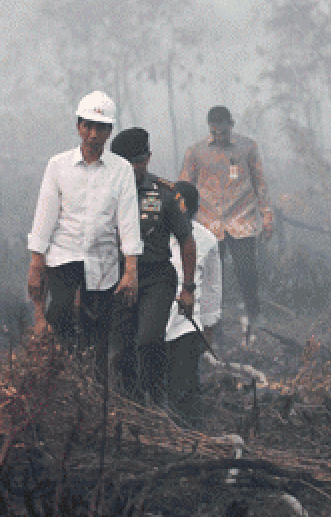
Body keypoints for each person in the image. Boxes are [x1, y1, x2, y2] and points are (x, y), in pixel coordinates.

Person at [27, 91, 142, 375]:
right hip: (64, 254)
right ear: (78, 126)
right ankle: (64, 372)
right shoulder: (58, 165)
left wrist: (131, 270)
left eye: (100, 128)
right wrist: (36, 262)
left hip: (102, 259)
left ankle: (94, 382)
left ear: (109, 131)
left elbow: (128, 221)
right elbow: (45, 213)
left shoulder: (121, 170)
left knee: (99, 326)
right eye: (87, 126)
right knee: (61, 313)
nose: (93, 134)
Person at [109, 127, 195, 405]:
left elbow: (186, 241)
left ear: (147, 159)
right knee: (119, 351)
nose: (133, 168)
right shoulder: (104, 192)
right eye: (126, 163)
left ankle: (159, 397)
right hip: (116, 278)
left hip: (155, 278)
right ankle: (130, 404)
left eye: (138, 161)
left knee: (147, 340)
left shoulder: (165, 194)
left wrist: (188, 289)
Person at [179, 106, 274, 341]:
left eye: (223, 130)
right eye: (215, 131)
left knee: (247, 271)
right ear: (209, 127)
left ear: (231, 125)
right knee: (211, 274)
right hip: (208, 221)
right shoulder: (196, 152)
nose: (220, 136)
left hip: (241, 218)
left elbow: (260, 182)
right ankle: (212, 324)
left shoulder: (247, 147)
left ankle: (254, 316)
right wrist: (180, 219)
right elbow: (184, 185)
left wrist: (267, 215)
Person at [165, 181, 222, 428]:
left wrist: (208, 328)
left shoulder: (206, 240)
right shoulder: (155, 235)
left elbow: (212, 286)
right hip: (155, 320)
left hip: (187, 323)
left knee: (186, 382)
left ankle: (189, 432)